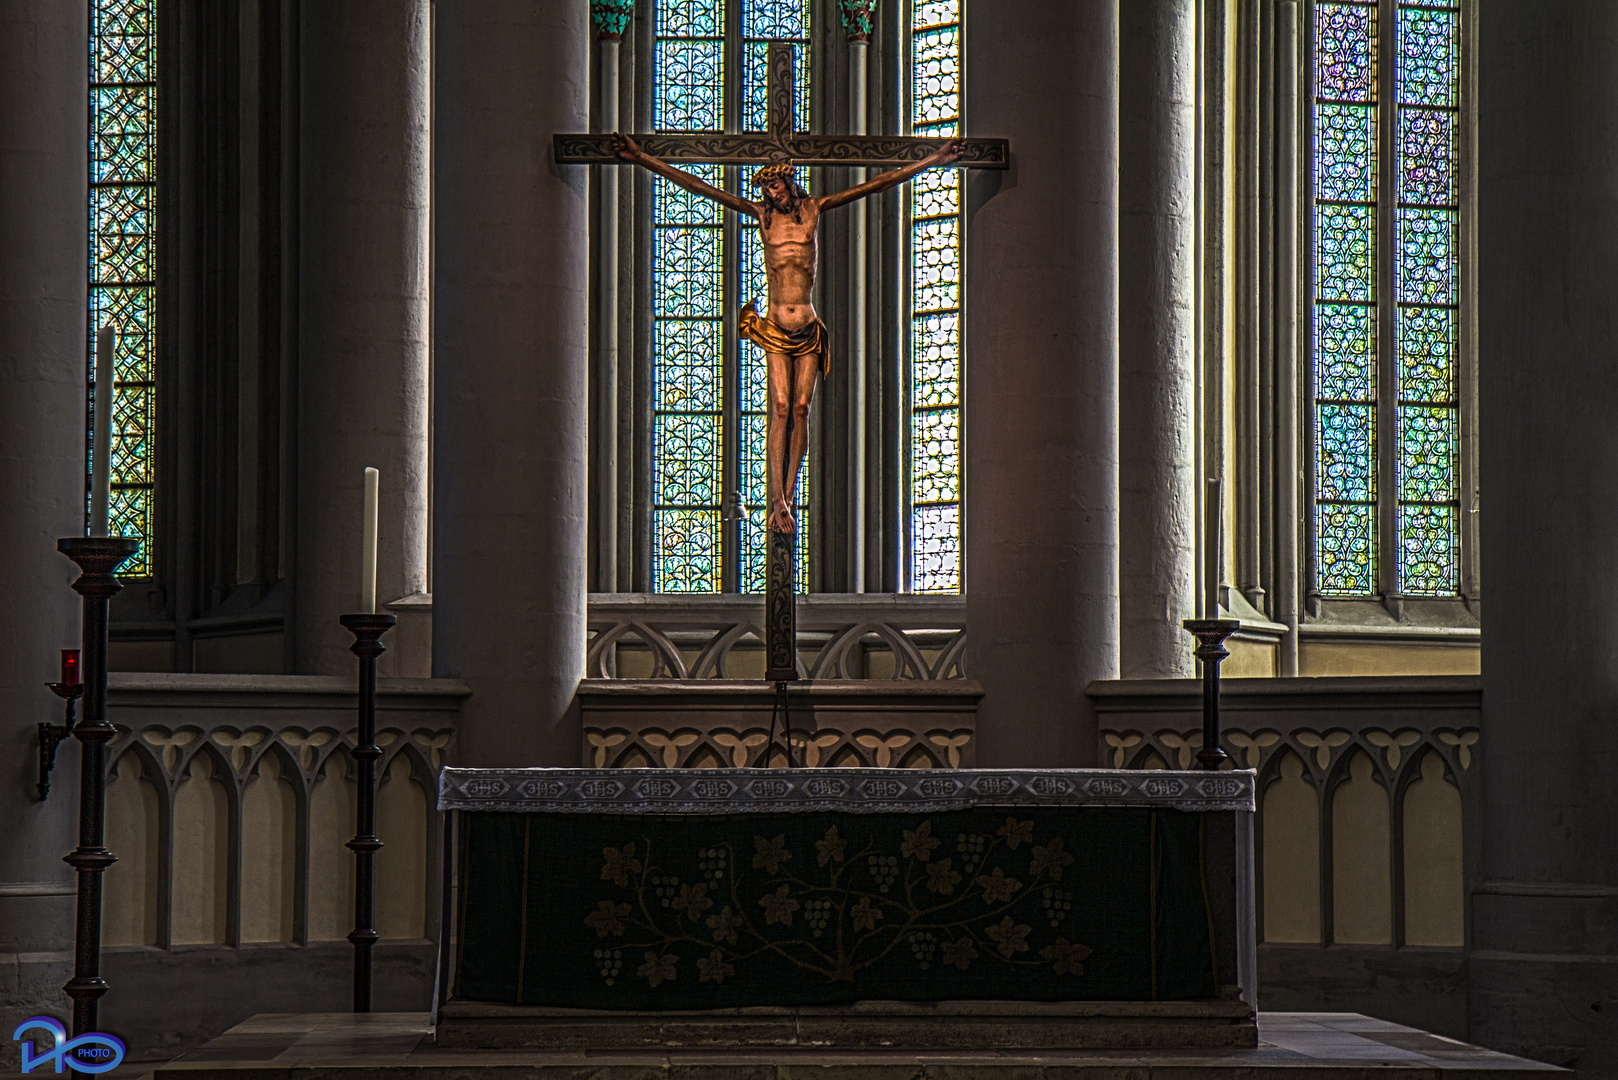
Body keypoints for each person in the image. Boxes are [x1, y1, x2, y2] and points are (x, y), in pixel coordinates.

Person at [614, 132, 963, 533]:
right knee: (779, 408)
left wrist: (934, 159)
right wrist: (641, 158)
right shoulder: (764, 218)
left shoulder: (814, 209)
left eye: (775, 185)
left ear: (790, 180)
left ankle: (790, 491)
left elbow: (875, 183)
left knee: (801, 410)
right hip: (776, 326)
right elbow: (701, 186)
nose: (771, 193)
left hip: (809, 328)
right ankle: (775, 497)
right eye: (765, 187)